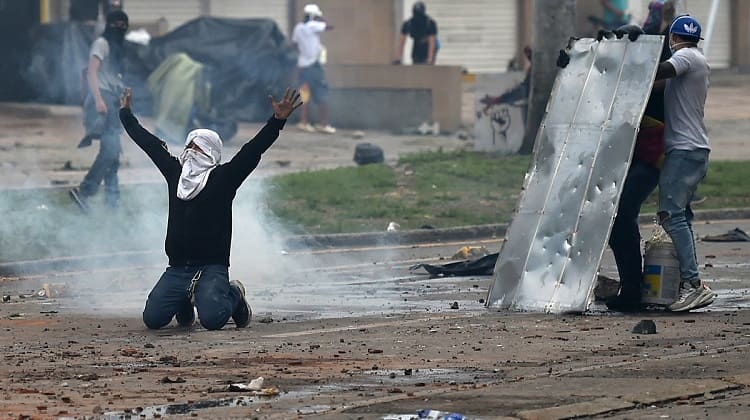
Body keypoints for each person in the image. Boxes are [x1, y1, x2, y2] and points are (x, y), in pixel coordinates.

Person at [118, 87, 301, 330]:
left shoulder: (224, 178)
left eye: (199, 148)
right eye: (189, 147)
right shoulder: (176, 174)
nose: (192, 152)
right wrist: (126, 114)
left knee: (213, 320)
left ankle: (234, 295)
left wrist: (277, 121)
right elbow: (149, 144)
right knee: (152, 319)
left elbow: (253, 150)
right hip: (178, 268)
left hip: (212, 267)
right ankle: (183, 300)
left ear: (212, 152)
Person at [606, 6, 676, 312]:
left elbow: (654, 68)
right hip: (626, 155)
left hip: (652, 157)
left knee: (623, 216)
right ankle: (631, 286)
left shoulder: (659, 65)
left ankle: (634, 290)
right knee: (615, 221)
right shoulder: (624, 73)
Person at [652, 14, 715, 312]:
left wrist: (636, 57)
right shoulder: (696, 62)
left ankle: (693, 285)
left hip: (685, 151)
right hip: (692, 150)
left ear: (672, 39)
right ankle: (684, 281)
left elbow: (662, 69)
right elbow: (659, 86)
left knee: (670, 214)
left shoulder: (687, 57)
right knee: (681, 218)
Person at [69, 10, 129, 212]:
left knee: (112, 154)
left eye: (124, 25)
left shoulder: (117, 48)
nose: (120, 28)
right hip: (103, 100)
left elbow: (113, 77)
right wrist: (98, 99)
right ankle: (84, 192)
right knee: (110, 151)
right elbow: (91, 72)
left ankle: (112, 204)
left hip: (112, 100)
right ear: (109, 25)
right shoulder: (102, 44)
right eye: (117, 24)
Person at [292, 3, 335, 134]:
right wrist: (321, 19)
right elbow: (329, 27)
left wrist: (303, 54)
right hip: (313, 66)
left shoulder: (298, 28)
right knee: (322, 93)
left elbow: (294, 44)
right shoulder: (313, 25)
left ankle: (303, 122)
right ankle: (323, 124)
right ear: (313, 16)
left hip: (303, 65)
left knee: (305, 94)